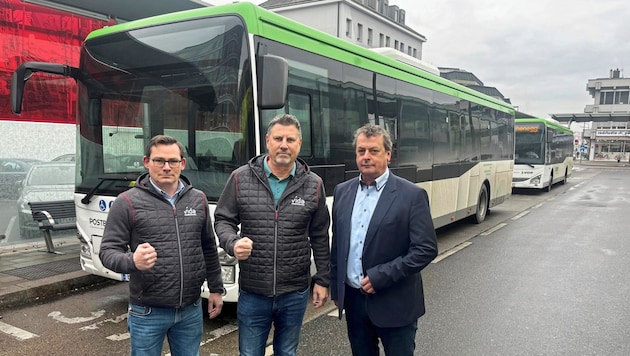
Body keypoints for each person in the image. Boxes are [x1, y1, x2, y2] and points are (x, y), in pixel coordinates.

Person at [214, 114, 330, 356]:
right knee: (249, 353)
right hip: (254, 291)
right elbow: (223, 220)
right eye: (278, 138)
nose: (284, 145)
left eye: (290, 139)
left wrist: (322, 279)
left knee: (286, 352)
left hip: (295, 291)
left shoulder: (314, 184)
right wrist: (232, 243)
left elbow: (320, 235)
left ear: (300, 143)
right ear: (268, 141)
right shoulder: (240, 178)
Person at [100, 134, 224, 356]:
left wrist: (216, 288)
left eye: (173, 161)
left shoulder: (198, 199)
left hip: (191, 309)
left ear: (182, 164)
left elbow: (208, 247)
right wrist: (132, 261)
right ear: (146, 162)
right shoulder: (127, 202)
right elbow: (107, 252)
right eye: (159, 161)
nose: (166, 167)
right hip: (147, 311)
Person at [330, 124, 438, 356]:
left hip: (395, 302)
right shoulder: (342, 191)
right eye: (361, 151)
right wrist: (336, 289)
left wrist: (382, 276)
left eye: (374, 151)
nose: (366, 157)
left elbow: (425, 249)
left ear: (388, 154)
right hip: (355, 303)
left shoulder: (411, 196)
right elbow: (338, 245)